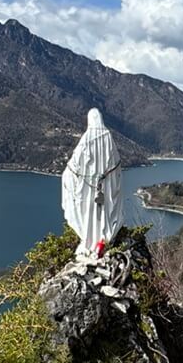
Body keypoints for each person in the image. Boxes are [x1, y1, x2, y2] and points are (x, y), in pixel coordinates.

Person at [61, 108, 123, 257]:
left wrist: (68, 175)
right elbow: (116, 165)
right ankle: (102, 240)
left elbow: (74, 164)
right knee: (105, 212)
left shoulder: (86, 139)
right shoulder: (108, 137)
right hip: (106, 186)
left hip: (87, 188)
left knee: (87, 213)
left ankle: (89, 241)